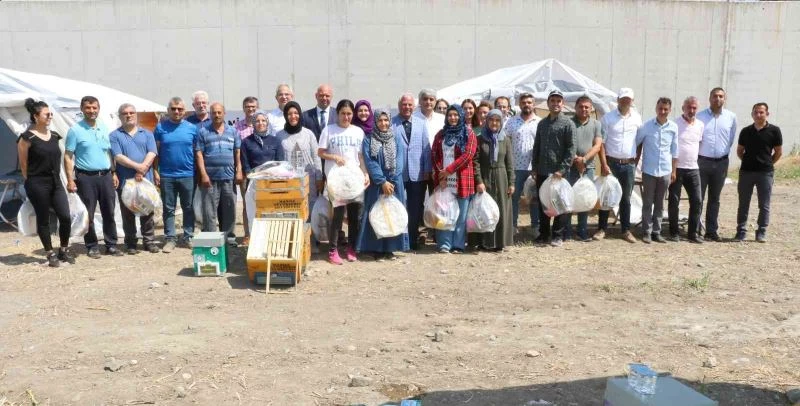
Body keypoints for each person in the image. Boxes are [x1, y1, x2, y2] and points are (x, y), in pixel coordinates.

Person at [17, 98, 74, 267]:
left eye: (51, 114)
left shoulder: (55, 136)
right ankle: (50, 254)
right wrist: (31, 182)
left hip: (56, 182)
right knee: (43, 219)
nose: (50, 116)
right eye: (47, 114)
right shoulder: (26, 138)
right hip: (37, 183)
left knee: (65, 216)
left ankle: (63, 250)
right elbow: (23, 165)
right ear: (36, 116)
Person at [64, 96, 122, 258]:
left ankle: (111, 244)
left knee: (109, 212)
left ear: (99, 108)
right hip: (85, 178)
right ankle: (92, 246)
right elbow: (68, 156)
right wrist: (70, 179)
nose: (91, 111)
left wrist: (113, 172)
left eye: (94, 108)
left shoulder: (103, 127)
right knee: (88, 213)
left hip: (105, 176)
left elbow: (108, 152)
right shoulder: (75, 130)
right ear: (82, 109)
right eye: (88, 108)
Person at [318, 99, 369, 265]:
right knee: (338, 216)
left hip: (354, 180)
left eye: (349, 114)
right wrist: (334, 157)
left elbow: (360, 156)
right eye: (342, 113)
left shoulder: (358, 132)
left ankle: (351, 249)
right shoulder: (329, 130)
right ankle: (333, 251)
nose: (346, 117)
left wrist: (365, 173)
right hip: (336, 180)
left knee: (355, 217)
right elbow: (320, 152)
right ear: (337, 114)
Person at [357, 109, 409, 259]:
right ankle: (376, 249)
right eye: (380, 120)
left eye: (386, 120)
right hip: (377, 184)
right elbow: (370, 162)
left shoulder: (396, 138)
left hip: (394, 184)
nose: (383, 123)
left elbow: (400, 161)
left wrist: (391, 181)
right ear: (375, 121)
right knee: (377, 214)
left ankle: (391, 248)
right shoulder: (368, 140)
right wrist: (382, 181)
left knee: (393, 214)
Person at [594, 88, 643, 243]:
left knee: (626, 199)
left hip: (629, 164)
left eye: (628, 99)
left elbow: (640, 141)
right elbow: (601, 143)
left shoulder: (637, 118)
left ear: (632, 101)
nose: (625, 102)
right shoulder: (608, 118)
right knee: (606, 196)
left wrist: (636, 161)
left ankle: (626, 230)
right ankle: (602, 229)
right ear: (618, 100)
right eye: (623, 99)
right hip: (611, 163)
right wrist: (603, 163)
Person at [109, 103, 159, 254]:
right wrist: (139, 167)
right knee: (128, 213)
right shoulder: (114, 135)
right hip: (126, 181)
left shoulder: (147, 133)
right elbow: (118, 156)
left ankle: (149, 241)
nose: (128, 115)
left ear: (136, 114)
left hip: (145, 180)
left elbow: (152, 152)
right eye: (125, 113)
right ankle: (130, 243)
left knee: (147, 211)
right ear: (120, 116)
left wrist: (143, 168)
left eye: (131, 112)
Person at [531, 90, 576, 247]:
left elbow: (571, 149)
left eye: (558, 101)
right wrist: (534, 167)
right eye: (553, 101)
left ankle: (557, 235)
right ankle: (544, 234)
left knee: (559, 204)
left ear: (562, 104)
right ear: (548, 103)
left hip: (560, 174)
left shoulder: (568, 123)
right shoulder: (542, 124)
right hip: (543, 171)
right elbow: (537, 146)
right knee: (544, 203)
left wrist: (562, 170)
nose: (555, 103)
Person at [431, 104, 478, 254]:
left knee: (460, 215)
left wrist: (449, 170)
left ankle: (458, 245)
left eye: (456, 115)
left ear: (461, 116)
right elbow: (434, 155)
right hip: (444, 182)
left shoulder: (469, 134)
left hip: (462, 180)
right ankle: (444, 244)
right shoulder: (440, 135)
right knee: (444, 214)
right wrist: (441, 174)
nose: (453, 118)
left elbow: (468, 155)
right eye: (450, 115)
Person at [196, 103, 243, 246]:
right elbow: (199, 154)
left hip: (228, 177)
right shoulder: (203, 132)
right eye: (214, 112)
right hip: (210, 179)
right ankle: (211, 239)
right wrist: (203, 175)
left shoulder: (233, 131)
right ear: (210, 114)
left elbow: (237, 152)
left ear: (224, 113)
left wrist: (239, 170)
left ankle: (229, 238)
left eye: (219, 112)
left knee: (229, 209)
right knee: (209, 211)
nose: (216, 115)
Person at [155, 97, 197, 253]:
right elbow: (156, 152)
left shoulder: (192, 129)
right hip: (167, 175)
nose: (177, 111)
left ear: (184, 111)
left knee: (188, 207)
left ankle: (188, 236)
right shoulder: (160, 128)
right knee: (168, 208)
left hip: (188, 174)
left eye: (180, 109)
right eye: (173, 109)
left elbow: (197, 152)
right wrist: (155, 171)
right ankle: (170, 239)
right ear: (168, 110)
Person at [735, 102, 782, 243]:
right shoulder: (745, 131)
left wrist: (767, 163)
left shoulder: (774, 131)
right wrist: (749, 162)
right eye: (755, 112)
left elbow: (778, 152)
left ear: (767, 114)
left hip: (765, 173)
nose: (758, 114)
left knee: (764, 204)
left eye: (761, 112)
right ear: (752, 114)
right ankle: (741, 231)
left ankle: (761, 231)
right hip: (746, 172)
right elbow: (739, 151)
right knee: (743, 203)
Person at [696, 87, 738, 242]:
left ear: (724, 99)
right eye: (715, 96)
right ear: (709, 98)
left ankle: (711, 231)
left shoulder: (731, 117)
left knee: (715, 198)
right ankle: (695, 230)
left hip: (721, 163)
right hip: (702, 162)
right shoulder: (700, 117)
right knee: (698, 197)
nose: (718, 99)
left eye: (721, 96)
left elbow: (730, 139)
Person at [279, 102, 324, 240]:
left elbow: (316, 156)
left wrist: (319, 177)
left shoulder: (308, 134)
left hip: (308, 180)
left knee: (309, 207)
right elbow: (279, 159)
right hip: (289, 180)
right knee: (291, 207)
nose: (293, 116)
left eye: (296, 113)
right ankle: (294, 239)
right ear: (286, 116)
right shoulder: (279, 135)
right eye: (290, 114)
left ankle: (311, 240)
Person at [391, 93, 431, 251]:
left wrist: (427, 170)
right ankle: (399, 241)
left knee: (415, 208)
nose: (407, 107)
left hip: (418, 173)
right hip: (398, 174)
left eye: (409, 105)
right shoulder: (391, 123)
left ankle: (412, 240)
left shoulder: (421, 123)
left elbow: (426, 149)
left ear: (414, 106)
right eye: (404, 104)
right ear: (399, 105)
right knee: (399, 207)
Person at [635, 97, 678, 244]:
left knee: (660, 203)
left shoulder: (673, 128)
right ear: (656, 108)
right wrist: (635, 164)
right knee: (647, 203)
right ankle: (646, 232)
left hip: (665, 171)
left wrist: (673, 171)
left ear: (670, 110)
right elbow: (637, 144)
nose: (663, 111)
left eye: (666, 109)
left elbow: (675, 151)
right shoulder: (646, 127)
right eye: (660, 108)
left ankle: (657, 232)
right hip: (649, 171)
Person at [473, 109, 514, 251]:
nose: (494, 123)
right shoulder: (480, 139)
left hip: (502, 177)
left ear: (501, 122)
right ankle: (485, 242)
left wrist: (512, 183)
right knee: (485, 209)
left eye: (497, 120)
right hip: (485, 177)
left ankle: (500, 242)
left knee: (501, 209)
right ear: (486, 121)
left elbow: (510, 163)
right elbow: (476, 162)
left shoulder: (505, 139)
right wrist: (479, 181)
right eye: (491, 120)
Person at [563, 96, 603, 242]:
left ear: (591, 108)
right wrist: (575, 159)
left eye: (587, 107)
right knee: (568, 199)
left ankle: (582, 231)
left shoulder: (596, 124)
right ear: (576, 107)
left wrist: (584, 160)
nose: (584, 109)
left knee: (585, 199)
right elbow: (564, 144)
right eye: (581, 106)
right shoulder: (568, 122)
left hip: (589, 168)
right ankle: (566, 232)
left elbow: (597, 145)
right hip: (570, 167)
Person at [668, 96, 704, 243]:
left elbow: (699, 144)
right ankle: (674, 232)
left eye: (694, 108)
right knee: (674, 201)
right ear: (683, 108)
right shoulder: (675, 124)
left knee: (697, 200)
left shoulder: (700, 125)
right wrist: (672, 169)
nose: (691, 110)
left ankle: (692, 233)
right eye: (689, 107)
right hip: (677, 168)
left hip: (693, 168)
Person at [505, 93, 540, 237]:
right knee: (513, 198)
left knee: (534, 198)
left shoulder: (540, 122)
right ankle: (512, 226)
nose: (527, 104)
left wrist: (538, 167)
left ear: (533, 104)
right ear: (519, 104)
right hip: (515, 167)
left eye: (529, 102)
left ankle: (535, 226)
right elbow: (506, 143)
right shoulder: (511, 122)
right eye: (524, 102)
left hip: (534, 168)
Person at [235, 96, 259, 245]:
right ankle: (248, 234)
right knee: (246, 204)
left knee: (262, 203)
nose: (250, 109)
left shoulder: (262, 124)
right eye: (248, 106)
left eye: (253, 106)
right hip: (244, 172)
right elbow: (236, 150)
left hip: (261, 173)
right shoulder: (237, 127)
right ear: (243, 108)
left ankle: (261, 233)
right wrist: (239, 169)